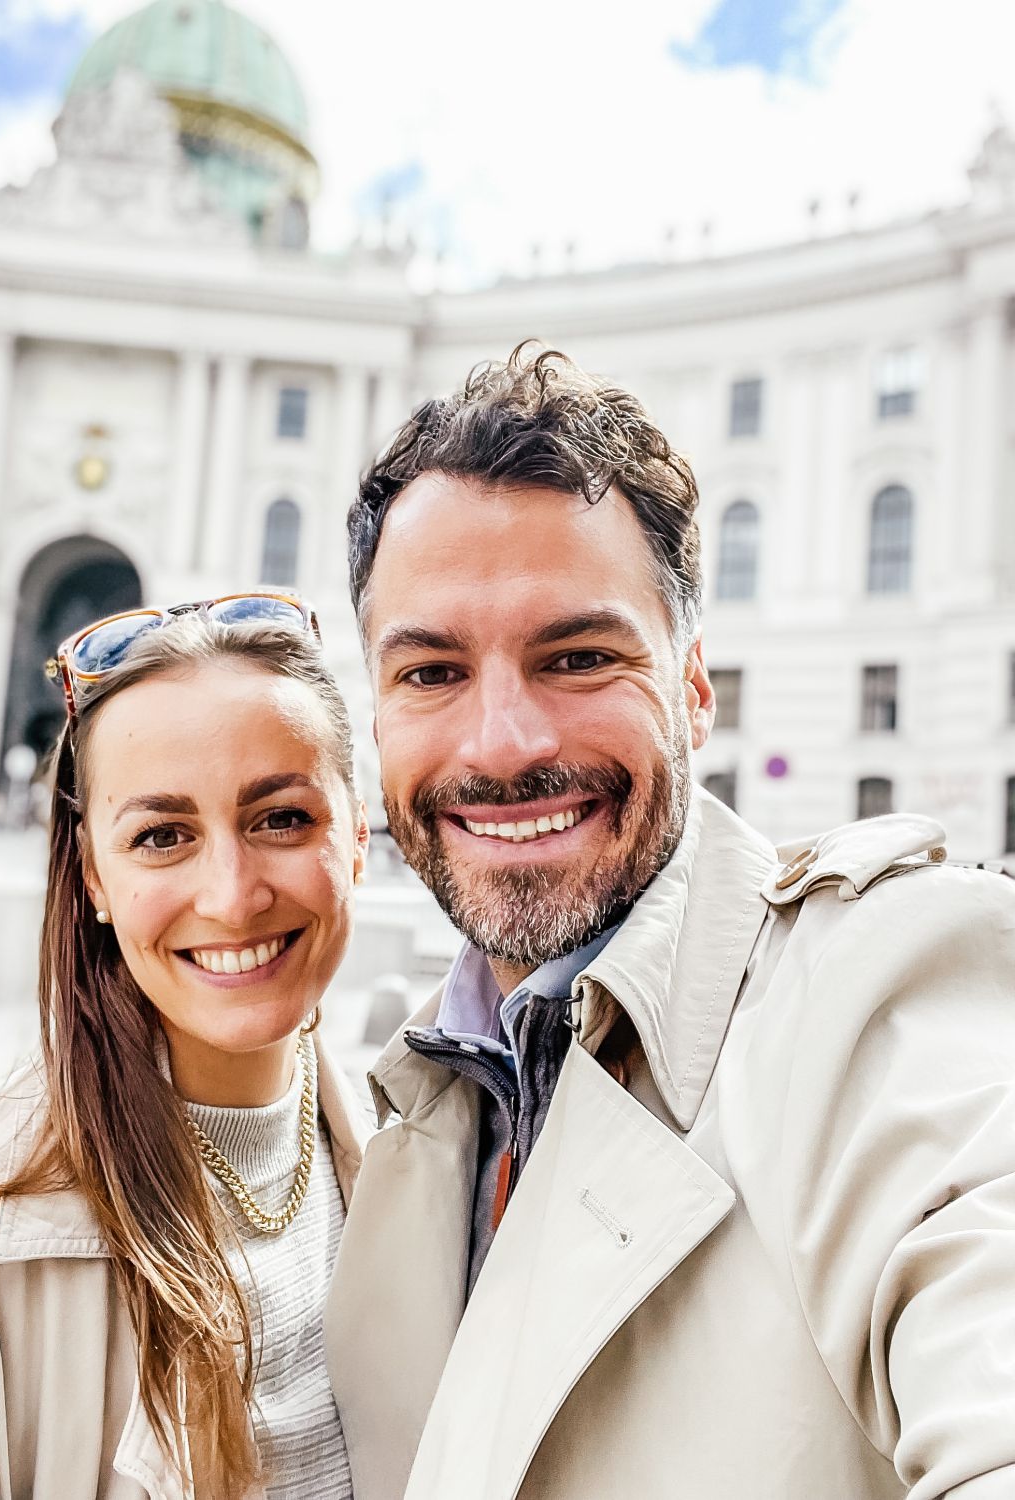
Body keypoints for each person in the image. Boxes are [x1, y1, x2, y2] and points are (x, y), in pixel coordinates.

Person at [323, 345, 1015, 1499]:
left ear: (695, 690)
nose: (503, 744)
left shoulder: (878, 996)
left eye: (578, 657)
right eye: (432, 673)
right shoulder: (408, 1098)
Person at [0, 597, 370, 1500]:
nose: (232, 896)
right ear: (93, 876)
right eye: (162, 837)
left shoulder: (425, 1158)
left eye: (280, 819)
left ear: (358, 837)